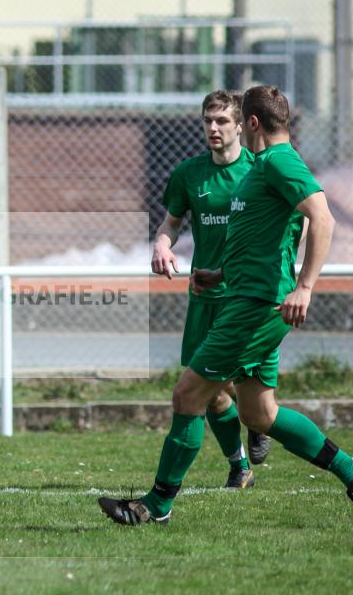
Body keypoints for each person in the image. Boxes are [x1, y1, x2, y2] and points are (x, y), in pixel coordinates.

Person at [100, 85, 353, 527]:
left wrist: (304, 286)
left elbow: (322, 217)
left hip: (256, 307)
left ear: (250, 123)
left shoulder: (279, 161)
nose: (215, 128)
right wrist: (222, 274)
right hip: (241, 294)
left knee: (189, 393)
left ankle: (155, 506)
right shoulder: (263, 167)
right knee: (258, 414)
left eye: (228, 120)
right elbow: (264, 239)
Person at [152, 90, 272, 491]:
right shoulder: (189, 173)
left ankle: (257, 419)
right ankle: (240, 465)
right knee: (211, 392)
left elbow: (300, 218)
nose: (213, 128)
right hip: (205, 296)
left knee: (211, 383)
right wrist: (162, 243)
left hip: (246, 297)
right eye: (207, 120)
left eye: (221, 121)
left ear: (241, 125)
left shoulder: (260, 170)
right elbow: (170, 223)